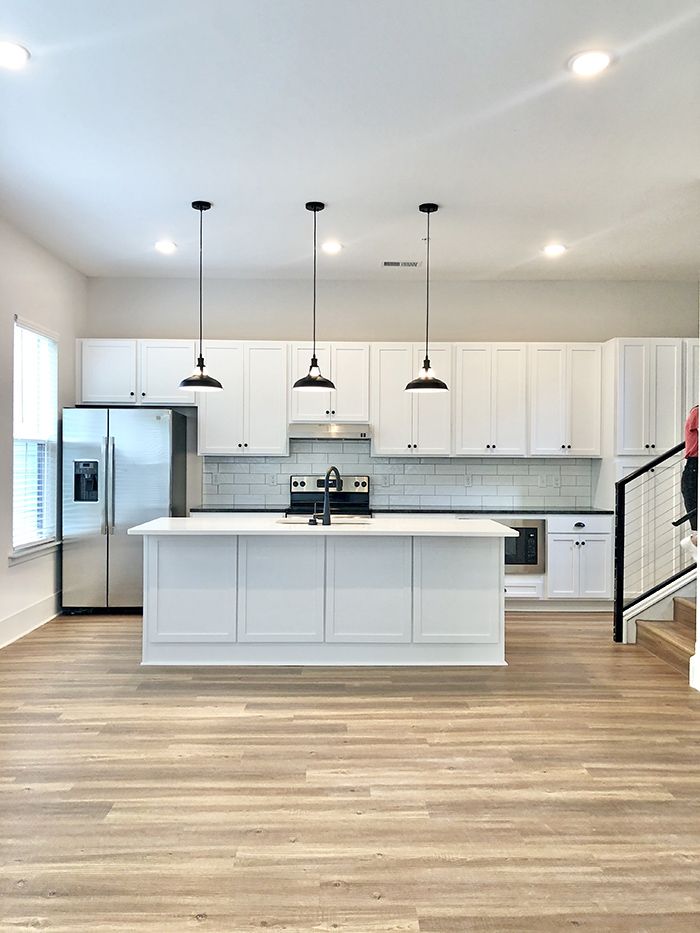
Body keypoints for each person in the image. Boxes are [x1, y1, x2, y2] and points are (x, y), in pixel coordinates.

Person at [680, 404, 698, 556]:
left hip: (694, 466)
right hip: (694, 466)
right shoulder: (698, 412)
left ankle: (694, 541)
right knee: (694, 508)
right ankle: (694, 540)